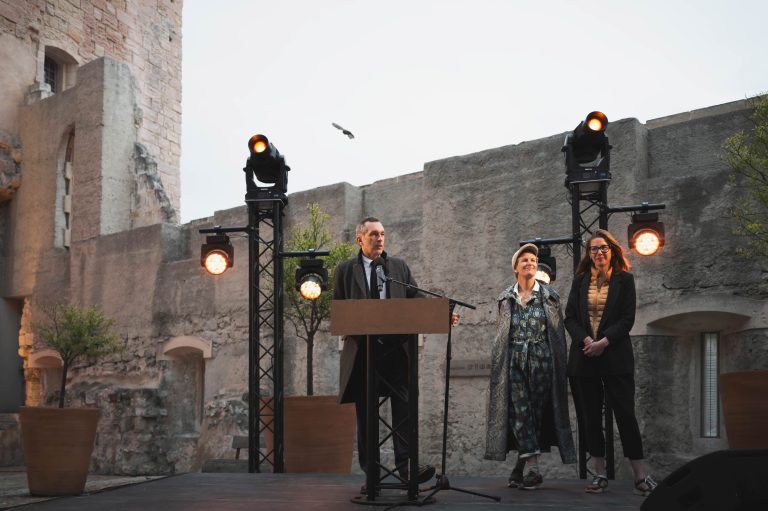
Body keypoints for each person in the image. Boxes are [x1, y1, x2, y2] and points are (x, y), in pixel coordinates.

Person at [334, 216, 435, 491]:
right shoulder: (345, 270)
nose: (379, 238)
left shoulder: (397, 267)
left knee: (404, 409)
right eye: (373, 234)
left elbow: (416, 299)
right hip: (363, 353)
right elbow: (339, 309)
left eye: (382, 234)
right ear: (360, 239)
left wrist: (437, 312)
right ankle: (372, 475)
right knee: (366, 417)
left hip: (396, 352)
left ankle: (407, 468)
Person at [564, 229, 658, 496]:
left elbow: (627, 319)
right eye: (594, 249)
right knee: (591, 418)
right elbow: (569, 317)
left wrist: (603, 342)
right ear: (589, 254)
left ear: (612, 251)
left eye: (603, 248)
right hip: (584, 358)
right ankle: (599, 474)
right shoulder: (580, 282)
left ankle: (640, 477)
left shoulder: (625, 280)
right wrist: (586, 340)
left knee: (626, 415)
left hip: (615, 357)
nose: (599, 253)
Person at [485, 243, 576, 490]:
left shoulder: (550, 296)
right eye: (524, 260)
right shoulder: (505, 298)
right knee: (520, 413)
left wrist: (559, 365)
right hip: (514, 359)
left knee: (534, 415)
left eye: (533, 261)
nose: (530, 263)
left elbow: (557, 334)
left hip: (542, 359)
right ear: (516, 268)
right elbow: (501, 334)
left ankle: (519, 469)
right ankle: (534, 471)